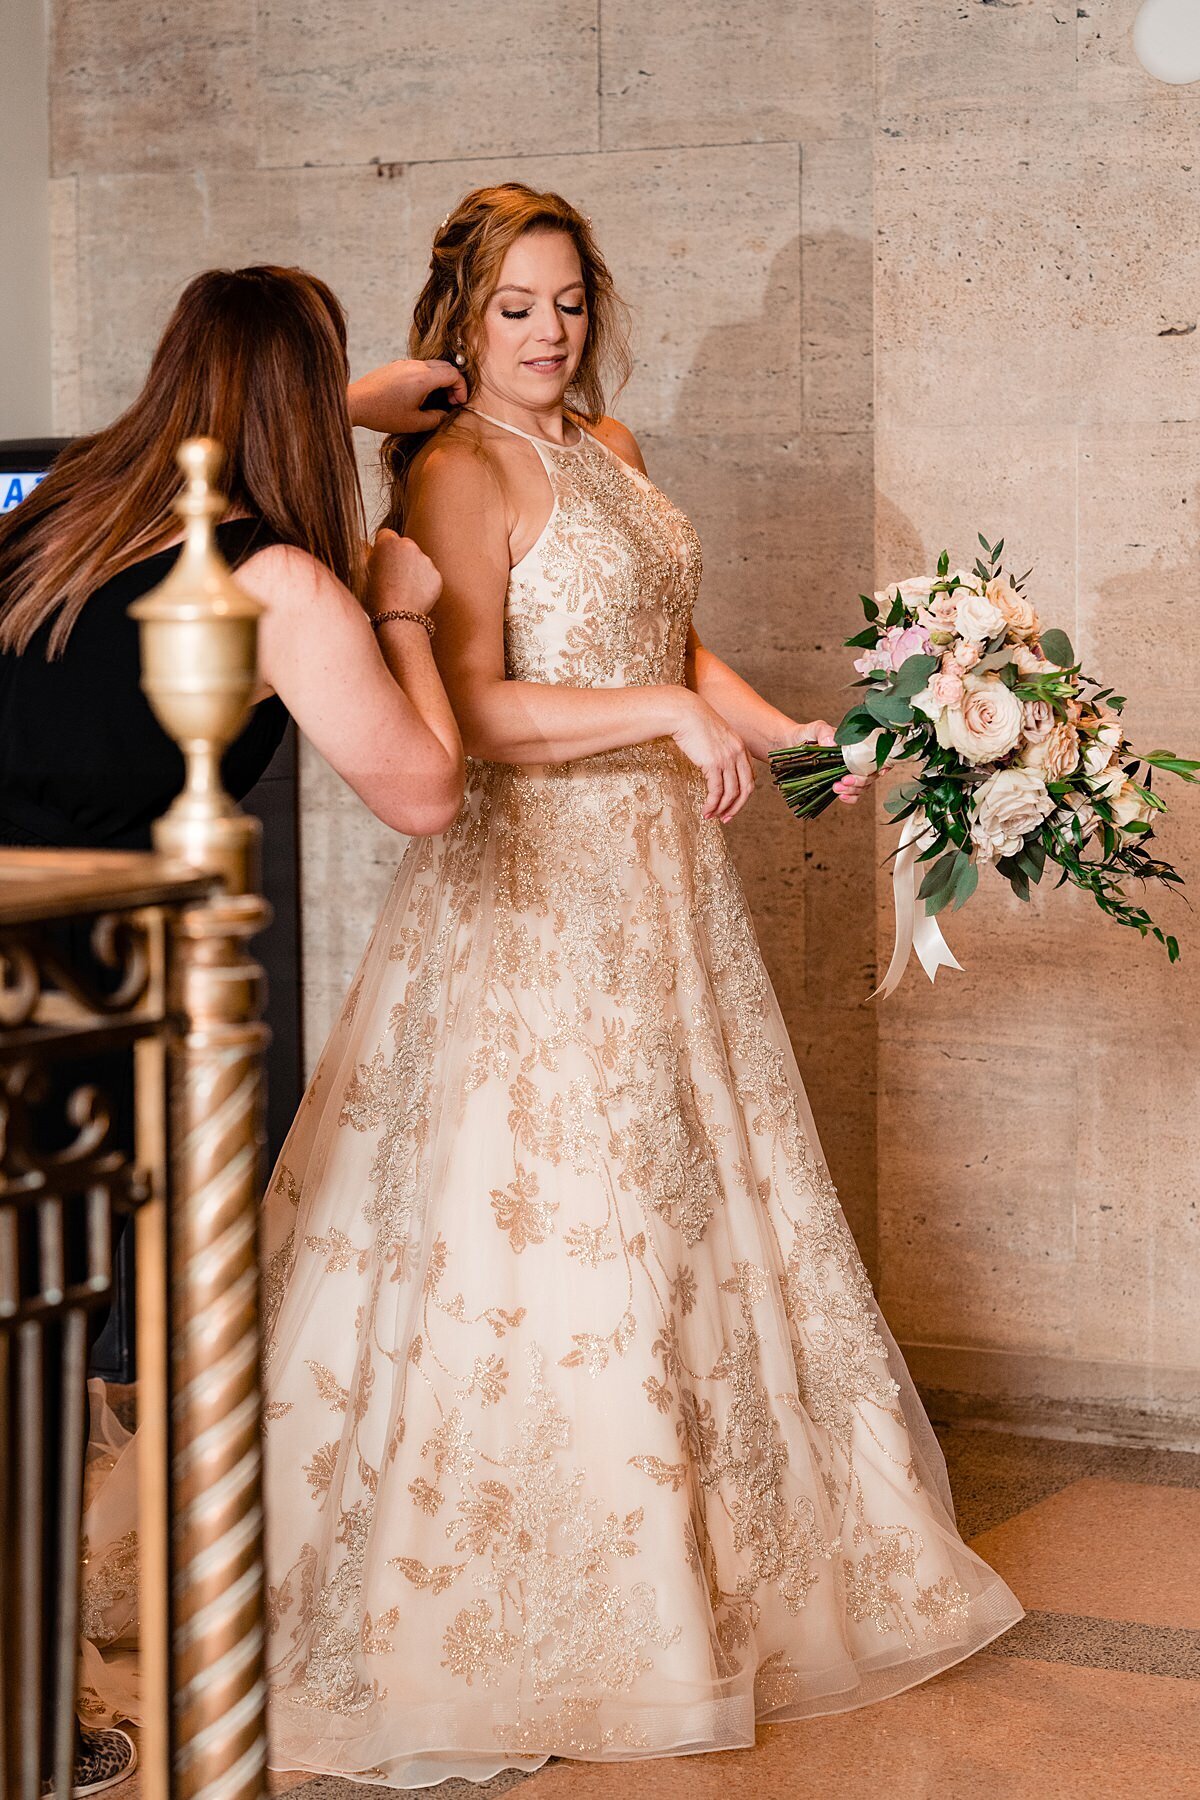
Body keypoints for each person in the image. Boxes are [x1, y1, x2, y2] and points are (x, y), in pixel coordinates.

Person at [0, 264, 466, 1794]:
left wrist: (347, 390)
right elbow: (421, 793)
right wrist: (404, 617)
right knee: (39, 1357)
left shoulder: (63, 513)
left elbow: (220, 417)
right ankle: (38, 1727)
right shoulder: (277, 582)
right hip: (50, 992)